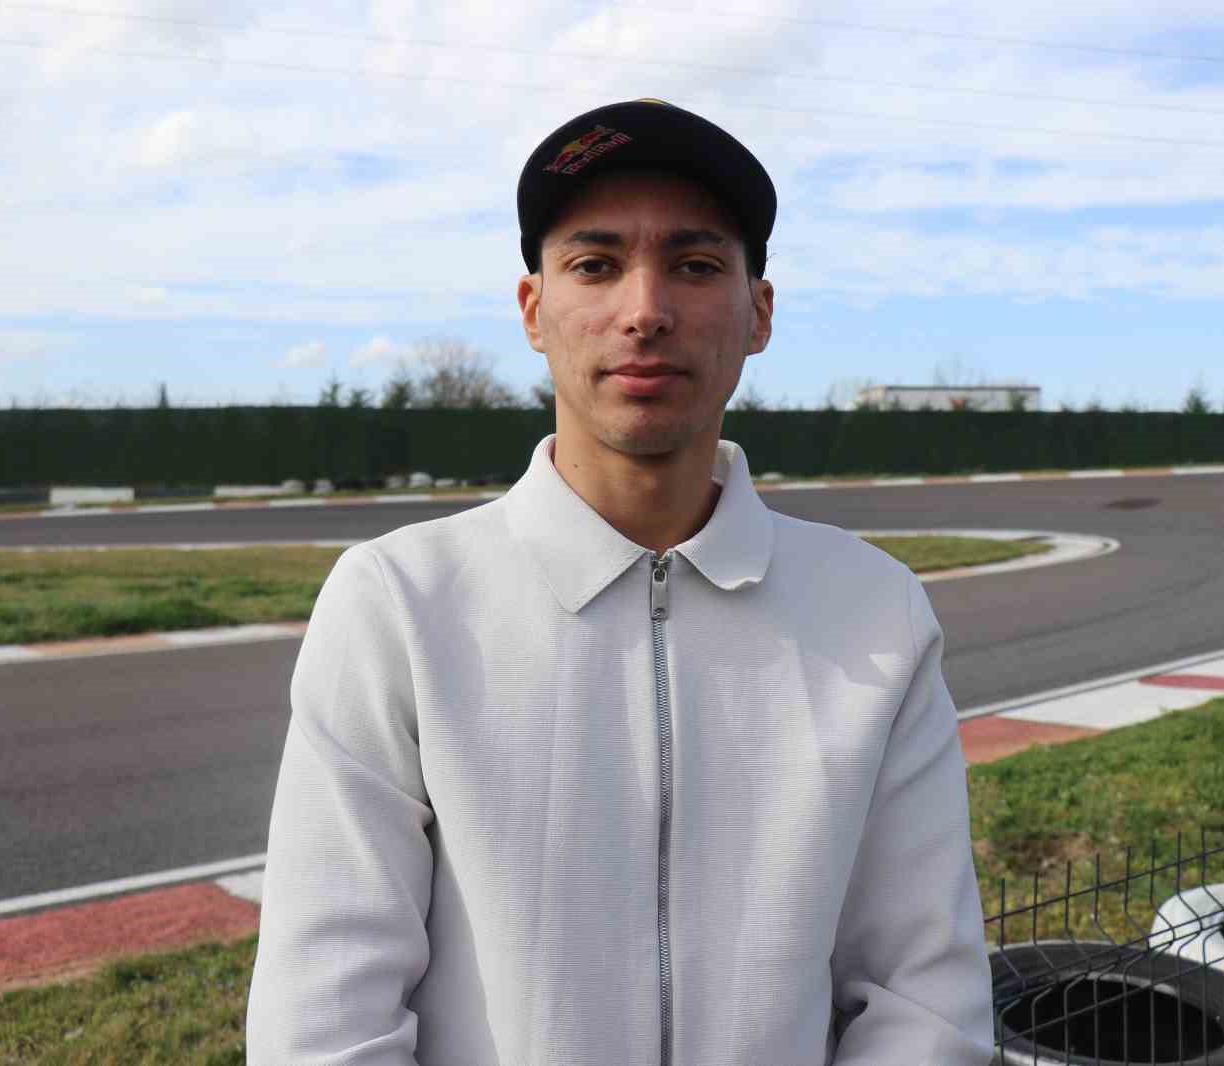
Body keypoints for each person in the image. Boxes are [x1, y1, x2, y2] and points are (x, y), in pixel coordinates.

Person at [247, 99, 993, 1065]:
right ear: (534, 310)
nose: (645, 310)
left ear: (760, 312)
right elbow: (323, 1021)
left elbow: (925, 1000)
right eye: (595, 264)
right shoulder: (396, 603)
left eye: (696, 264)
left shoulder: (876, 611)